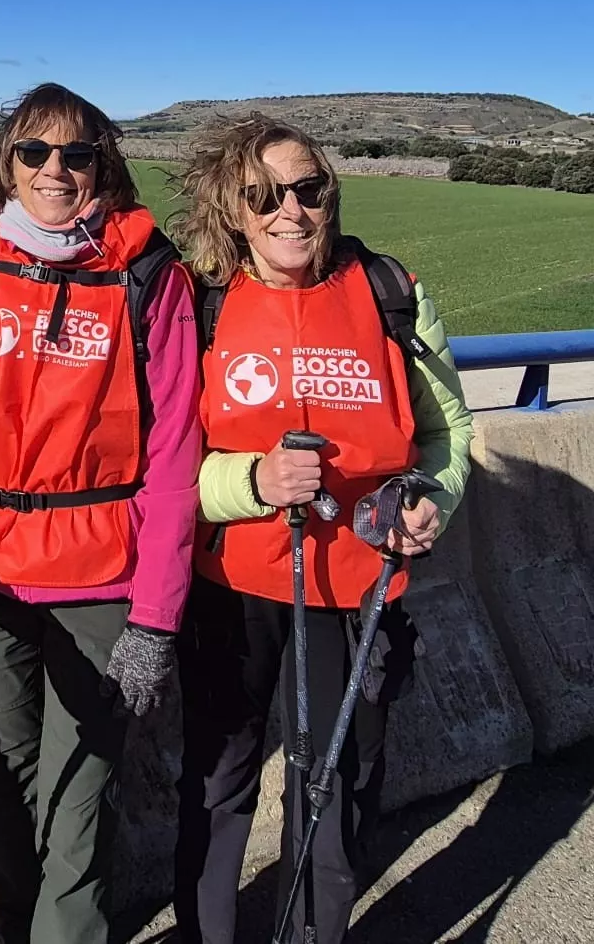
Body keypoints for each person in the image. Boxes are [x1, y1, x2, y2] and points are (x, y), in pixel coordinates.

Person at [0, 82, 201, 944]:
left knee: (82, 791)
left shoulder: (149, 274)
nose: (55, 168)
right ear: (8, 164)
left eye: (77, 153)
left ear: (104, 163)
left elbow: (177, 454)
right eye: (35, 151)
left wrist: (156, 617)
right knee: (8, 776)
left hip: (103, 573)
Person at [171, 115, 473, 944]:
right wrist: (253, 481)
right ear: (233, 209)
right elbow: (163, 466)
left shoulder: (389, 291)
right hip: (231, 584)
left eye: (307, 190)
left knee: (333, 789)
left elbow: (447, 433)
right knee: (217, 786)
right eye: (263, 196)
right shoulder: (199, 303)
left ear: (329, 194)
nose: (289, 212)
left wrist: (430, 504)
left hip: (355, 585)